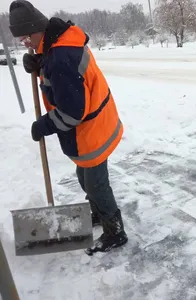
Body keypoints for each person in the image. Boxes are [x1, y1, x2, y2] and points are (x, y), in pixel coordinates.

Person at [8, 0, 128, 255]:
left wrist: (44, 125)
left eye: (25, 37)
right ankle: (97, 211)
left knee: (96, 184)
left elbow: (73, 112)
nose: (23, 43)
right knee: (84, 177)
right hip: (93, 121)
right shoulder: (57, 42)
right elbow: (59, 66)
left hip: (91, 128)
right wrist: (40, 62)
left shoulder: (60, 58)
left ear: (37, 29)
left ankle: (115, 231)